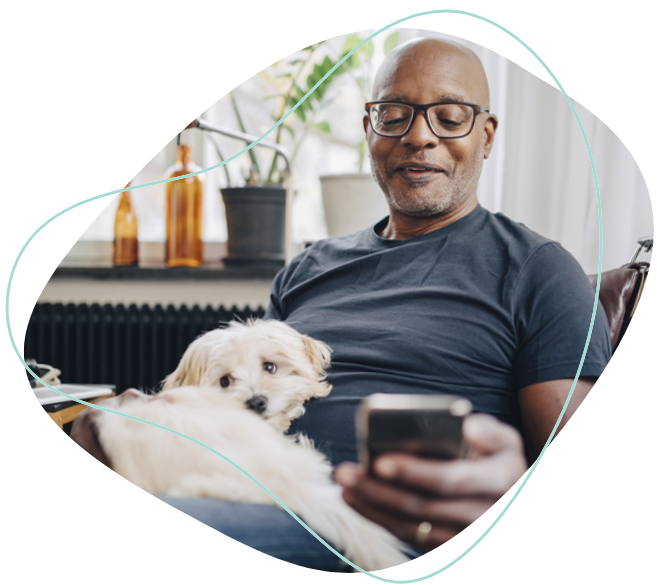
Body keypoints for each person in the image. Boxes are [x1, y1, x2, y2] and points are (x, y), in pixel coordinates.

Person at [71, 37, 611, 571]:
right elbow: (256, 406)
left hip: (386, 531)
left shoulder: (540, 270)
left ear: (486, 136)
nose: (420, 136)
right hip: (253, 484)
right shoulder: (307, 269)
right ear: (369, 129)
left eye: (449, 117)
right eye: (395, 114)